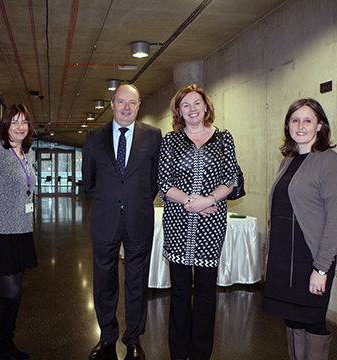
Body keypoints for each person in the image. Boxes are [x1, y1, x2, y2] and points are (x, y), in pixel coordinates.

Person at [263, 99, 337, 360]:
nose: (300, 126)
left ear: (320, 126)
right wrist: (270, 250)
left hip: (310, 258)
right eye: (294, 120)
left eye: (308, 120)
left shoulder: (331, 164)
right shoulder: (288, 160)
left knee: (312, 320)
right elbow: (277, 211)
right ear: (287, 125)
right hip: (283, 256)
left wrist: (321, 268)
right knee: (291, 320)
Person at [157, 84, 238, 360]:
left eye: (196, 103)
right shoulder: (170, 140)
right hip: (179, 223)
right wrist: (194, 202)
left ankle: (201, 352)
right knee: (180, 292)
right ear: (179, 111)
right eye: (185, 105)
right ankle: (178, 352)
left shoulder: (224, 138)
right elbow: (164, 183)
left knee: (205, 292)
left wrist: (209, 200)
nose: (192, 109)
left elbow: (230, 179)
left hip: (211, 225)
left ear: (206, 106)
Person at [82, 84, 162, 360]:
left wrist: (134, 200)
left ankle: (133, 339)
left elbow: (154, 180)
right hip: (105, 219)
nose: (127, 107)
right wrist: (111, 201)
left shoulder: (153, 136)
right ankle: (106, 339)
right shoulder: (94, 137)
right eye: (121, 102)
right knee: (104, 280)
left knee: (136, 281)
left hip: (138, 217)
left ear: (139, 106)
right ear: (112, 104)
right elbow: (89, 181)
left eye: (133, 102)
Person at [0, 104, 37, 360]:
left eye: (24, 122)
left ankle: (7, 338)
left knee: (15, 291)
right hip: (1, 231)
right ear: (5, 126)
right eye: (14, 122)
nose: (20, 127)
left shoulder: (27, 152)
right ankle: (3, 344)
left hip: (22, 230)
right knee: (11, 291)